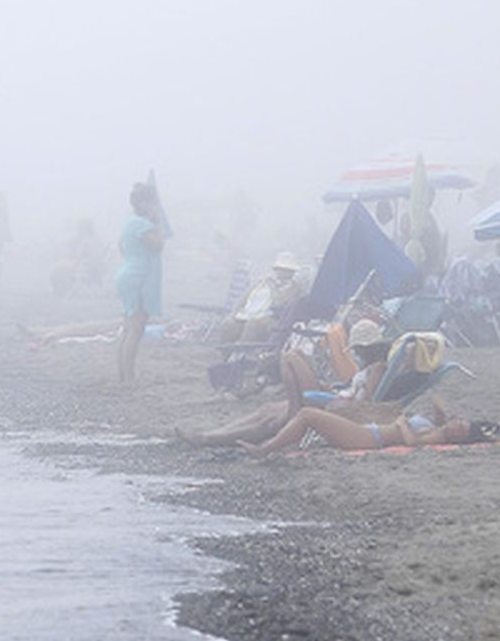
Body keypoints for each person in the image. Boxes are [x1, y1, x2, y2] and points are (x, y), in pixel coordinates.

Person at [176, 319, 391, 447]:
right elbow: (354, 392)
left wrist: (339, 397)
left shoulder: (378, 368)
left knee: (292, 357)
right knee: (268, 411)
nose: (357, 353)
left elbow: (366, 406)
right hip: (333, 399)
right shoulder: (368, 368)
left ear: (367, 348)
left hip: (338, 410)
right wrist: (335, 390)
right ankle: (211, 436)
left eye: (359, 349)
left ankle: (292, 416)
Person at [240, 395, 500, 458]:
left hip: (368, 438)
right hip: (369, 432)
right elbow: (437, 401)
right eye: (459, 422)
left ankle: (265, 449)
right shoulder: (441, 427)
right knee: (313, 413)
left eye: (460, 427)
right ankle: (272, 445)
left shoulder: (439, 436)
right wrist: (447, 415)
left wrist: (401, 423)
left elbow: (411, 442)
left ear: (458, 437)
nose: (455, 424)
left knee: (309, 414)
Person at [115, 182, 165, 385]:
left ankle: (123, 375)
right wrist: (158, 221)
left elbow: (121, 246)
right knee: (135, 329)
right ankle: (129, 377)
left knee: (128, 327)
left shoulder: (130, 221)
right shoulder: (142, 224)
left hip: (129, 273)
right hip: (138, 278)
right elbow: (158, 244)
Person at [214, 252, 306, 344]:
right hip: (248, 315)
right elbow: (244, 298)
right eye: (280, 269)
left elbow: (280, 304)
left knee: (253, 325)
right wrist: (233, 314)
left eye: (286, 270)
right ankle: (226, 354)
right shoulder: (262, 283)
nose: (282, 272)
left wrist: (273, 288)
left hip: (273, 320)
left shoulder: (295, 289)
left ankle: (240, 352)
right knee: (229, 324)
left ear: (292, 272)